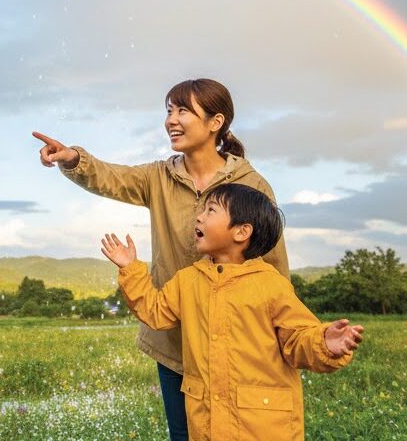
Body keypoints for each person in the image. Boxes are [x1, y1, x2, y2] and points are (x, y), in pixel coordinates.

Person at [33, 78, 289, 440]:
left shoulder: (251, 184)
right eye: (169, 110)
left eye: (183, 110)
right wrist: (72, 158)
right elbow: (110, 177)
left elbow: (275, 268)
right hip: (175, 342)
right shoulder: (159, 177)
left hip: (237, 343)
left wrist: (285, 336)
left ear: (216, 122)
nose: (171, 119)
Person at [100, 183, 363, 440]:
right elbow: (155, 311)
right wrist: (131, 268)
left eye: (211, 210)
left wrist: (324, 342)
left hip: (262, 425)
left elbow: (297, 339)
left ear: (241, 232)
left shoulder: (270, 284)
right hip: (207, 421)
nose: (199, 217)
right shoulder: (188, 280)